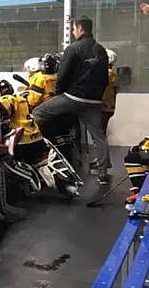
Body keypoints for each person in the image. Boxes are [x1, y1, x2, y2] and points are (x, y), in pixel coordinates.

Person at [32, 16, 110, 184]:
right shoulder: (101, 50)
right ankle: (103, 173)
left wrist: (58, 94)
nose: (73, 32)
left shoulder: (73, 48)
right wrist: (97, 97)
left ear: (80, 29)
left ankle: (38, 156)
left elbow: (63, 75)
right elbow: (105, 78)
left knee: (37, 113)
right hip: (94, 100)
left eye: (74, 29)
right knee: (99, 136)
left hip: (73, 96)